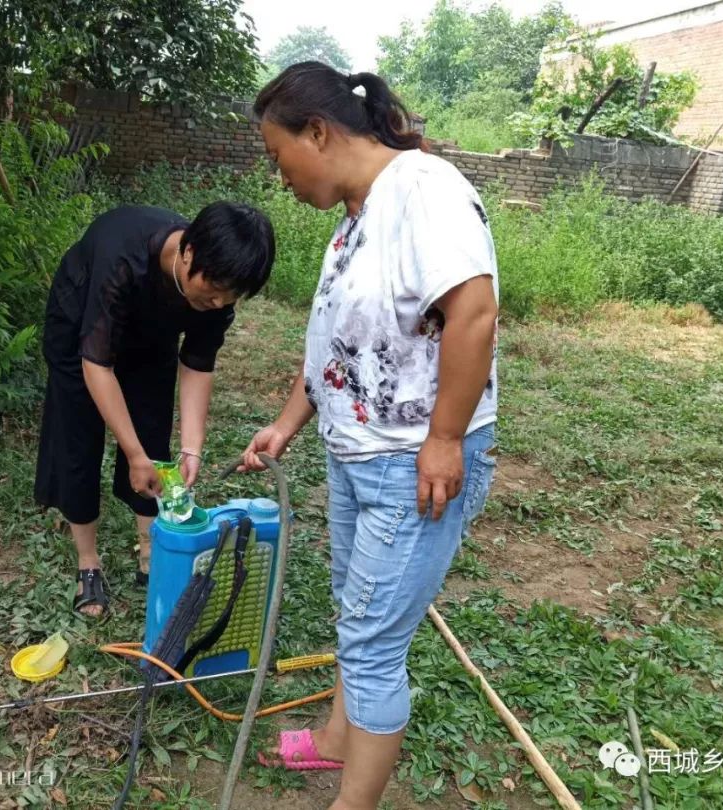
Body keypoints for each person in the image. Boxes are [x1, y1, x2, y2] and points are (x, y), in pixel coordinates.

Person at [240, 62, 499, 809]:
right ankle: (331, 742)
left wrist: (445, 437)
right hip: (359, 455)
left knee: (373, 644)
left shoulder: (426, 190)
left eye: (276, 154)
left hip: (414, 463)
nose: (277, 175)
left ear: (317, 132)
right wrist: (289, 423)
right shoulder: (357, 218)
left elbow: (473, 311)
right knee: (355, 613)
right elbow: (334, 345)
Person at [36, 202, 275, 617]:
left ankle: (151, 548)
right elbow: (97, 364)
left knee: (152, 430)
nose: (220, 301)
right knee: (78, 435)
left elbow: (198, 366)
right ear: (187, 253)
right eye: (215, 287)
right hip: (81, 323)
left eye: (232, 296)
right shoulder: (123, 258)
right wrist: (131, 454)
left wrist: (192, 449)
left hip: (152, 333)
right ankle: (87, 563)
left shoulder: (215, 297)